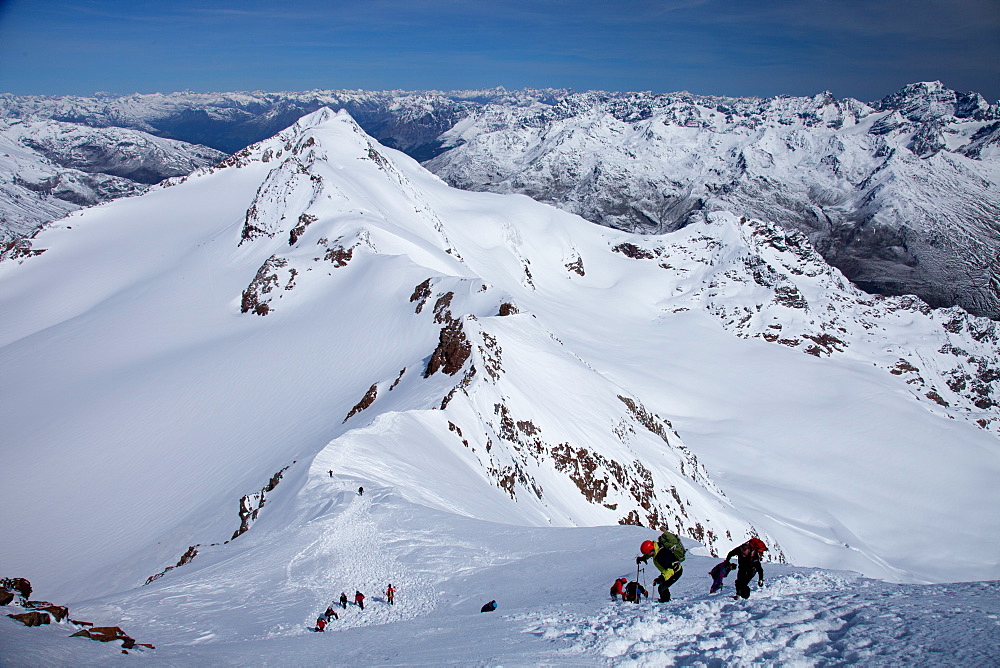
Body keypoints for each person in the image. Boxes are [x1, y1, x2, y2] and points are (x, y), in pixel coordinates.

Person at [636, 530, 686, 602]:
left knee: (662, 587)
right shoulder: (657, 547)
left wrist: (661, 578)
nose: (647, 555)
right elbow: (650, 553)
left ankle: (665, 602)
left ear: (651, 551)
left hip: (676, 572)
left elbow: (670, 571)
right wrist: (643, 558)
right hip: (672, 569)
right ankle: (666, 600)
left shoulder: (662, 556)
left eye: (647, 554)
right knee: (663, 586)